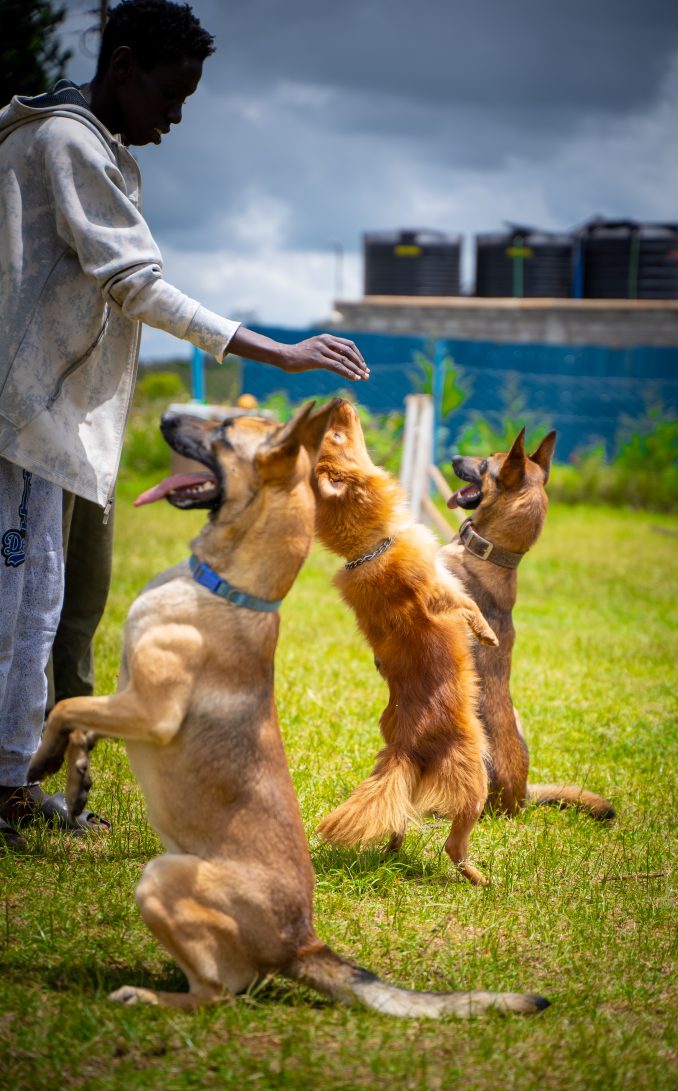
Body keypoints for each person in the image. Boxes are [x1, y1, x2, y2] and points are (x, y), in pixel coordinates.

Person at [0, 0, 370, 850]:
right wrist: (272, 351)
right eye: (171, 93)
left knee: (43, 602)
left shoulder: (91, 148)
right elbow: (136, 283)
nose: (175, 116)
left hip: (45, 425)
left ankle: (15, 780)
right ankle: (8, 789)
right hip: (21, 421)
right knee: (21, 606)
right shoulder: (65, 144)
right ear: (123, 66)